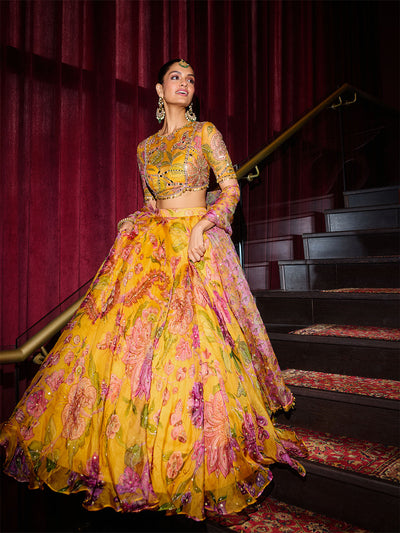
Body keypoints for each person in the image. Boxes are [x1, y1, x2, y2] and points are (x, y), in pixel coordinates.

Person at [0, 59, 306, 522]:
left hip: (198, 244)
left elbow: (230, 189)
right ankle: (143, 458)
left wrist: (204, 225)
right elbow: (150, 202)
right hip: (152, 248)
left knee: (200, 350)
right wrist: (136, 221)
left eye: (191, 79)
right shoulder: (145, 148)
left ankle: (208, 463)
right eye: (175, 78)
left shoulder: (206, 134)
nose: (185, 83)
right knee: (134, 351)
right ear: (160, 91)